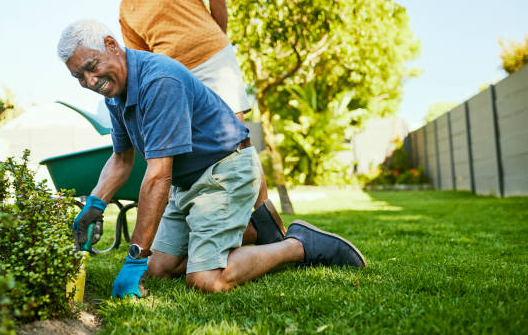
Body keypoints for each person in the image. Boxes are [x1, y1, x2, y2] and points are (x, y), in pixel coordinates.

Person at [57, 20, 367, 297]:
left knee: (207, 279)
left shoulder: (158, 80)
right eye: (78, 76)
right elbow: (121, 160)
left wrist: (134, 257)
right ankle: (256, 230)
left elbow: (158, 176)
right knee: (159, 268)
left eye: (92, 66)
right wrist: (94, 204)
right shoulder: (116, 95)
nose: (90, 81)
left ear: (112, 45)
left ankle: (299, 245)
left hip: (225, 170)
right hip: (189, 183)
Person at [77, 0, 273, 239]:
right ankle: (218, 224)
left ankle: (269, 225)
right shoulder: (125, 9)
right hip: (177, 81)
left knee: (237, 141)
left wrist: (217, 41)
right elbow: (141, 60)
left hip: (214, 61)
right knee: (188, 151)